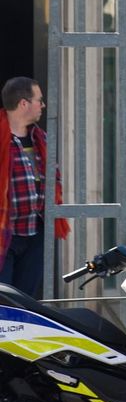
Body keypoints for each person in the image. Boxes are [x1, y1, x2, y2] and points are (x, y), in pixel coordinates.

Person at [1, 78, 69, 299]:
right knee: (4, 303)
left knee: (25, 303)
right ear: (23, 104)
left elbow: (54, 180)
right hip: (5, 234)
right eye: (39, 100)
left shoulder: (41, 138)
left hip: (35, 232)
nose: (43, 105)